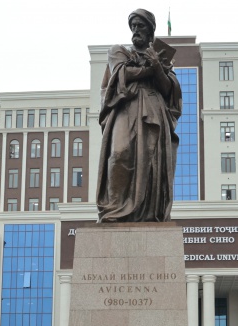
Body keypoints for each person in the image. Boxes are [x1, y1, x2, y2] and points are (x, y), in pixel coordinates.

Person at [96, 8, 181, 223]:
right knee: (119, 152)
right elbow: (121, 74)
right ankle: (114, 209)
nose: (136, 30)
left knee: (151, 160)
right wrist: (150, 69)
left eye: (140, 25)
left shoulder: (159, 57)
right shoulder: (118, 51)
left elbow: (168, 89)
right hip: (126, 108)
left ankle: (148, 210)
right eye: (133, 26)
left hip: (153, 108)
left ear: (150, 30)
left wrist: (158, 67)